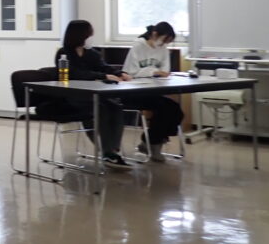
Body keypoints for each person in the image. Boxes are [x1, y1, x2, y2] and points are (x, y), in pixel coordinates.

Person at [55, 19, 133, 170]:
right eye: (89, 35)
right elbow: (75, 74)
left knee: (116, 107)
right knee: (101, 109)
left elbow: (104, 67)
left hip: (93, 95)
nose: (91, 38)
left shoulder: (91, 53)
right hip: (73, 96)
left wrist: (120, 73)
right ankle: (108, 153)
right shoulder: (63, 54)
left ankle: (112, 150)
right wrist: (102, 76)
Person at [122, 22, 185, 162]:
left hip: (154, 91)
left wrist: (153, 72)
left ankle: (148, 142)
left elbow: (165, 71)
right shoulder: (138, 46)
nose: (164, 44)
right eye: (164, 40)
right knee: (164, 109)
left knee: (176, 111)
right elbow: (131, 73)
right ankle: (154, 144)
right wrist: (154, 72)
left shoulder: (163, 49)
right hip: (135, 91)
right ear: (155, 34)